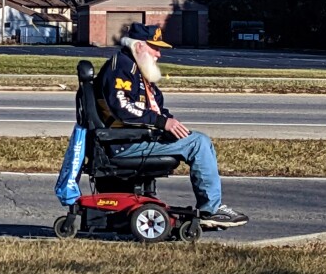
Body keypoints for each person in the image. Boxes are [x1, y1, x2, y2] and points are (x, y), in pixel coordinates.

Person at [95, 22, 248, 228]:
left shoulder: (137, 70)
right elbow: (122, 108)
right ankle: (210, 210)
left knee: (196, 139)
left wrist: (169, 123)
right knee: (199, 143)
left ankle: (211, 207)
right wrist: (163, 123)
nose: (159, 54)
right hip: (123, 143)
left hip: (138, 138)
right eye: (155, 48)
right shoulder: (121, 68)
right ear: (139, 46)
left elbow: (157, 109)